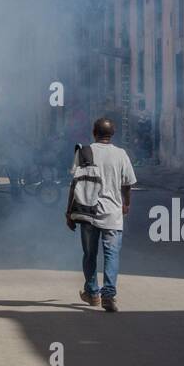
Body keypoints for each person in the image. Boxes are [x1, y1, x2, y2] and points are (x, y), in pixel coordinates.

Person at [66, 117, 135, 313]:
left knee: (89, 254)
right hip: (113, 214)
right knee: (111, 255)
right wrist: (126, 204)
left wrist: (69, 212)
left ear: (94, 133)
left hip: (88, 213)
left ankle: (93, 293)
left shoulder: (84, 151)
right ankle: (109, 295)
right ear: (112, 135)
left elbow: (75, 184)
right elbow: (128, 184)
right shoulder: (121, 154)